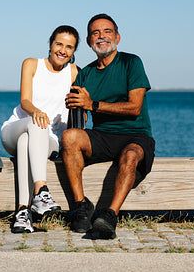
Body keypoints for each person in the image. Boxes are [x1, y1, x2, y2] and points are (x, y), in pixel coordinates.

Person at [62, 13, 155, 239]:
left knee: (131, 155)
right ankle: (81, 207)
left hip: (136, 134)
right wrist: (75, 108)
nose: (101, 36)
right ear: (88, 41)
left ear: (117, 37)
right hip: (103, 136)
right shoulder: (85, 74)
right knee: (70, 137)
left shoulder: (131, 62)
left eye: (107, 32)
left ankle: (110, 216)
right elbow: (79, 118)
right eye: (95, 32)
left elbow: (134, 107)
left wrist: (92, 104)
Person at [1, 25, 80, 233]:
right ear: (50, 44)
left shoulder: (73, 72)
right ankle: (40, 192)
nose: (63, 50)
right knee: (35, 126)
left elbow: (78, 110)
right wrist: (37, 112)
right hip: (17, 128)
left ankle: (22, 213)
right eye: (59, 44)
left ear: (73, 52)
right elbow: (25, 101)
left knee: (27, 141)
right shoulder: (31, 64)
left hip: (50, 139)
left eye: (69, 47)